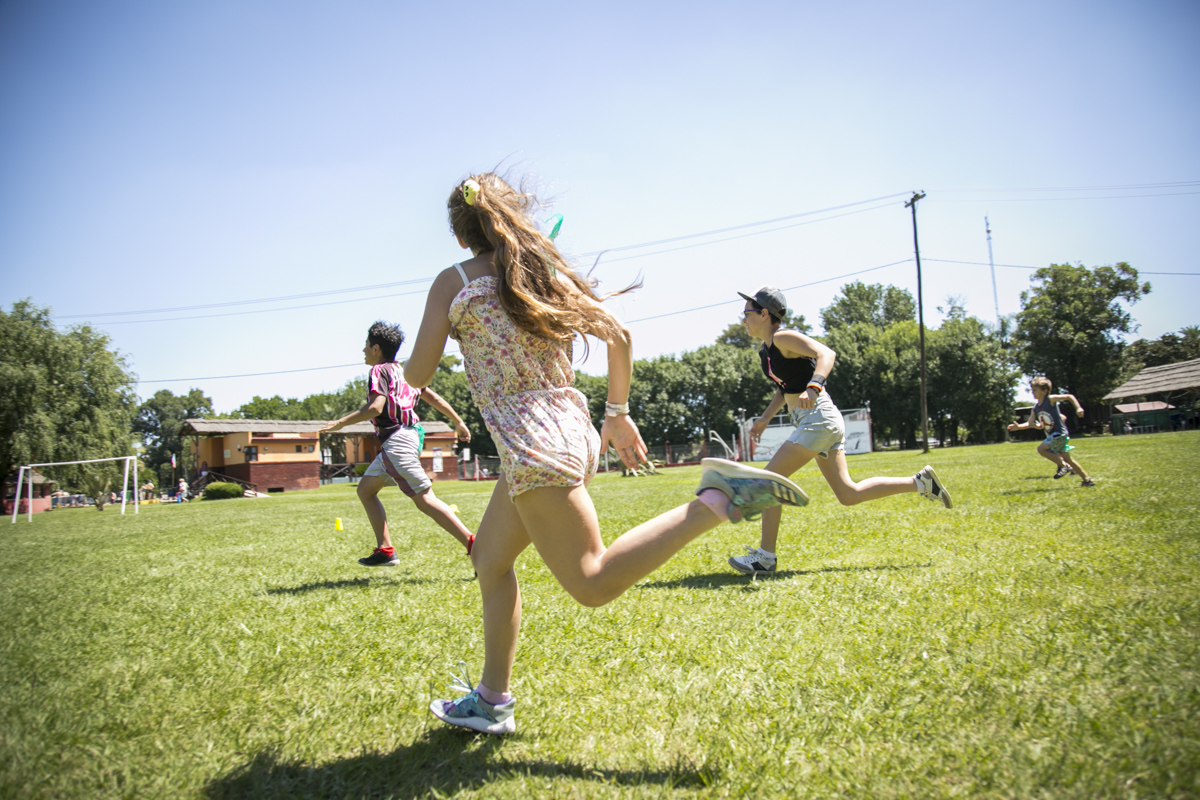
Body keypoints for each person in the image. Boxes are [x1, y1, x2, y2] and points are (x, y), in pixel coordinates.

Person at [404, 173, 807, 735]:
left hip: (532, 444)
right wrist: (616, 414)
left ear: (459, 235)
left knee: (591, 581)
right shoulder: (539, 275)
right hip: (568, 430)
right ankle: (492, 701)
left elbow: (417, 374)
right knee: (490, 560)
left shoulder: (455, 281)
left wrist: (447, 331)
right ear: (513, 218)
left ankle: (717, 500)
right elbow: (620, 335)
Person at [728, 286, 953, 577]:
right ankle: (921, 483)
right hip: (815, 420)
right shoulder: (766, 350)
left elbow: (826, 353)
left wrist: (814, 386)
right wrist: (765, 418)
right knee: (848, 493)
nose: (743, 319)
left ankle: (765, 558)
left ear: (764, 314)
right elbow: (785, 388)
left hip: (818, 419)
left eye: (746, 313)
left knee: (769, 481)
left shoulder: (783, 337)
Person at [322, 321, 477, 567]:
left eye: (366, 345)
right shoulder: (405, 372)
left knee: (425, 499)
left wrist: (340, 423)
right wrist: (458, 421)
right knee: (365, 490)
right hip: (407, 438)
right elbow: (433, 397)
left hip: (397, 441)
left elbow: (376, 407)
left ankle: (477, 547)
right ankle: (385, 550)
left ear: (376, 349)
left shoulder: (378, 371)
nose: (363, 350)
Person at [1007, 377, 1094, 487]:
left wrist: (1078, 408)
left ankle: (1064, 466)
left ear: (1045, 391)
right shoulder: (1035, 408)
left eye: (1035, 390)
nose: (1032, 393)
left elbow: (1069, 396)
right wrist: (1018, 427)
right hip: (1054, 435)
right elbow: (1029, 423)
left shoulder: (1050, 400)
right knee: (1068, 459)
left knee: (1041, 449)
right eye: (1032, 390)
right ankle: (1087, 480)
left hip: (1059, 433)